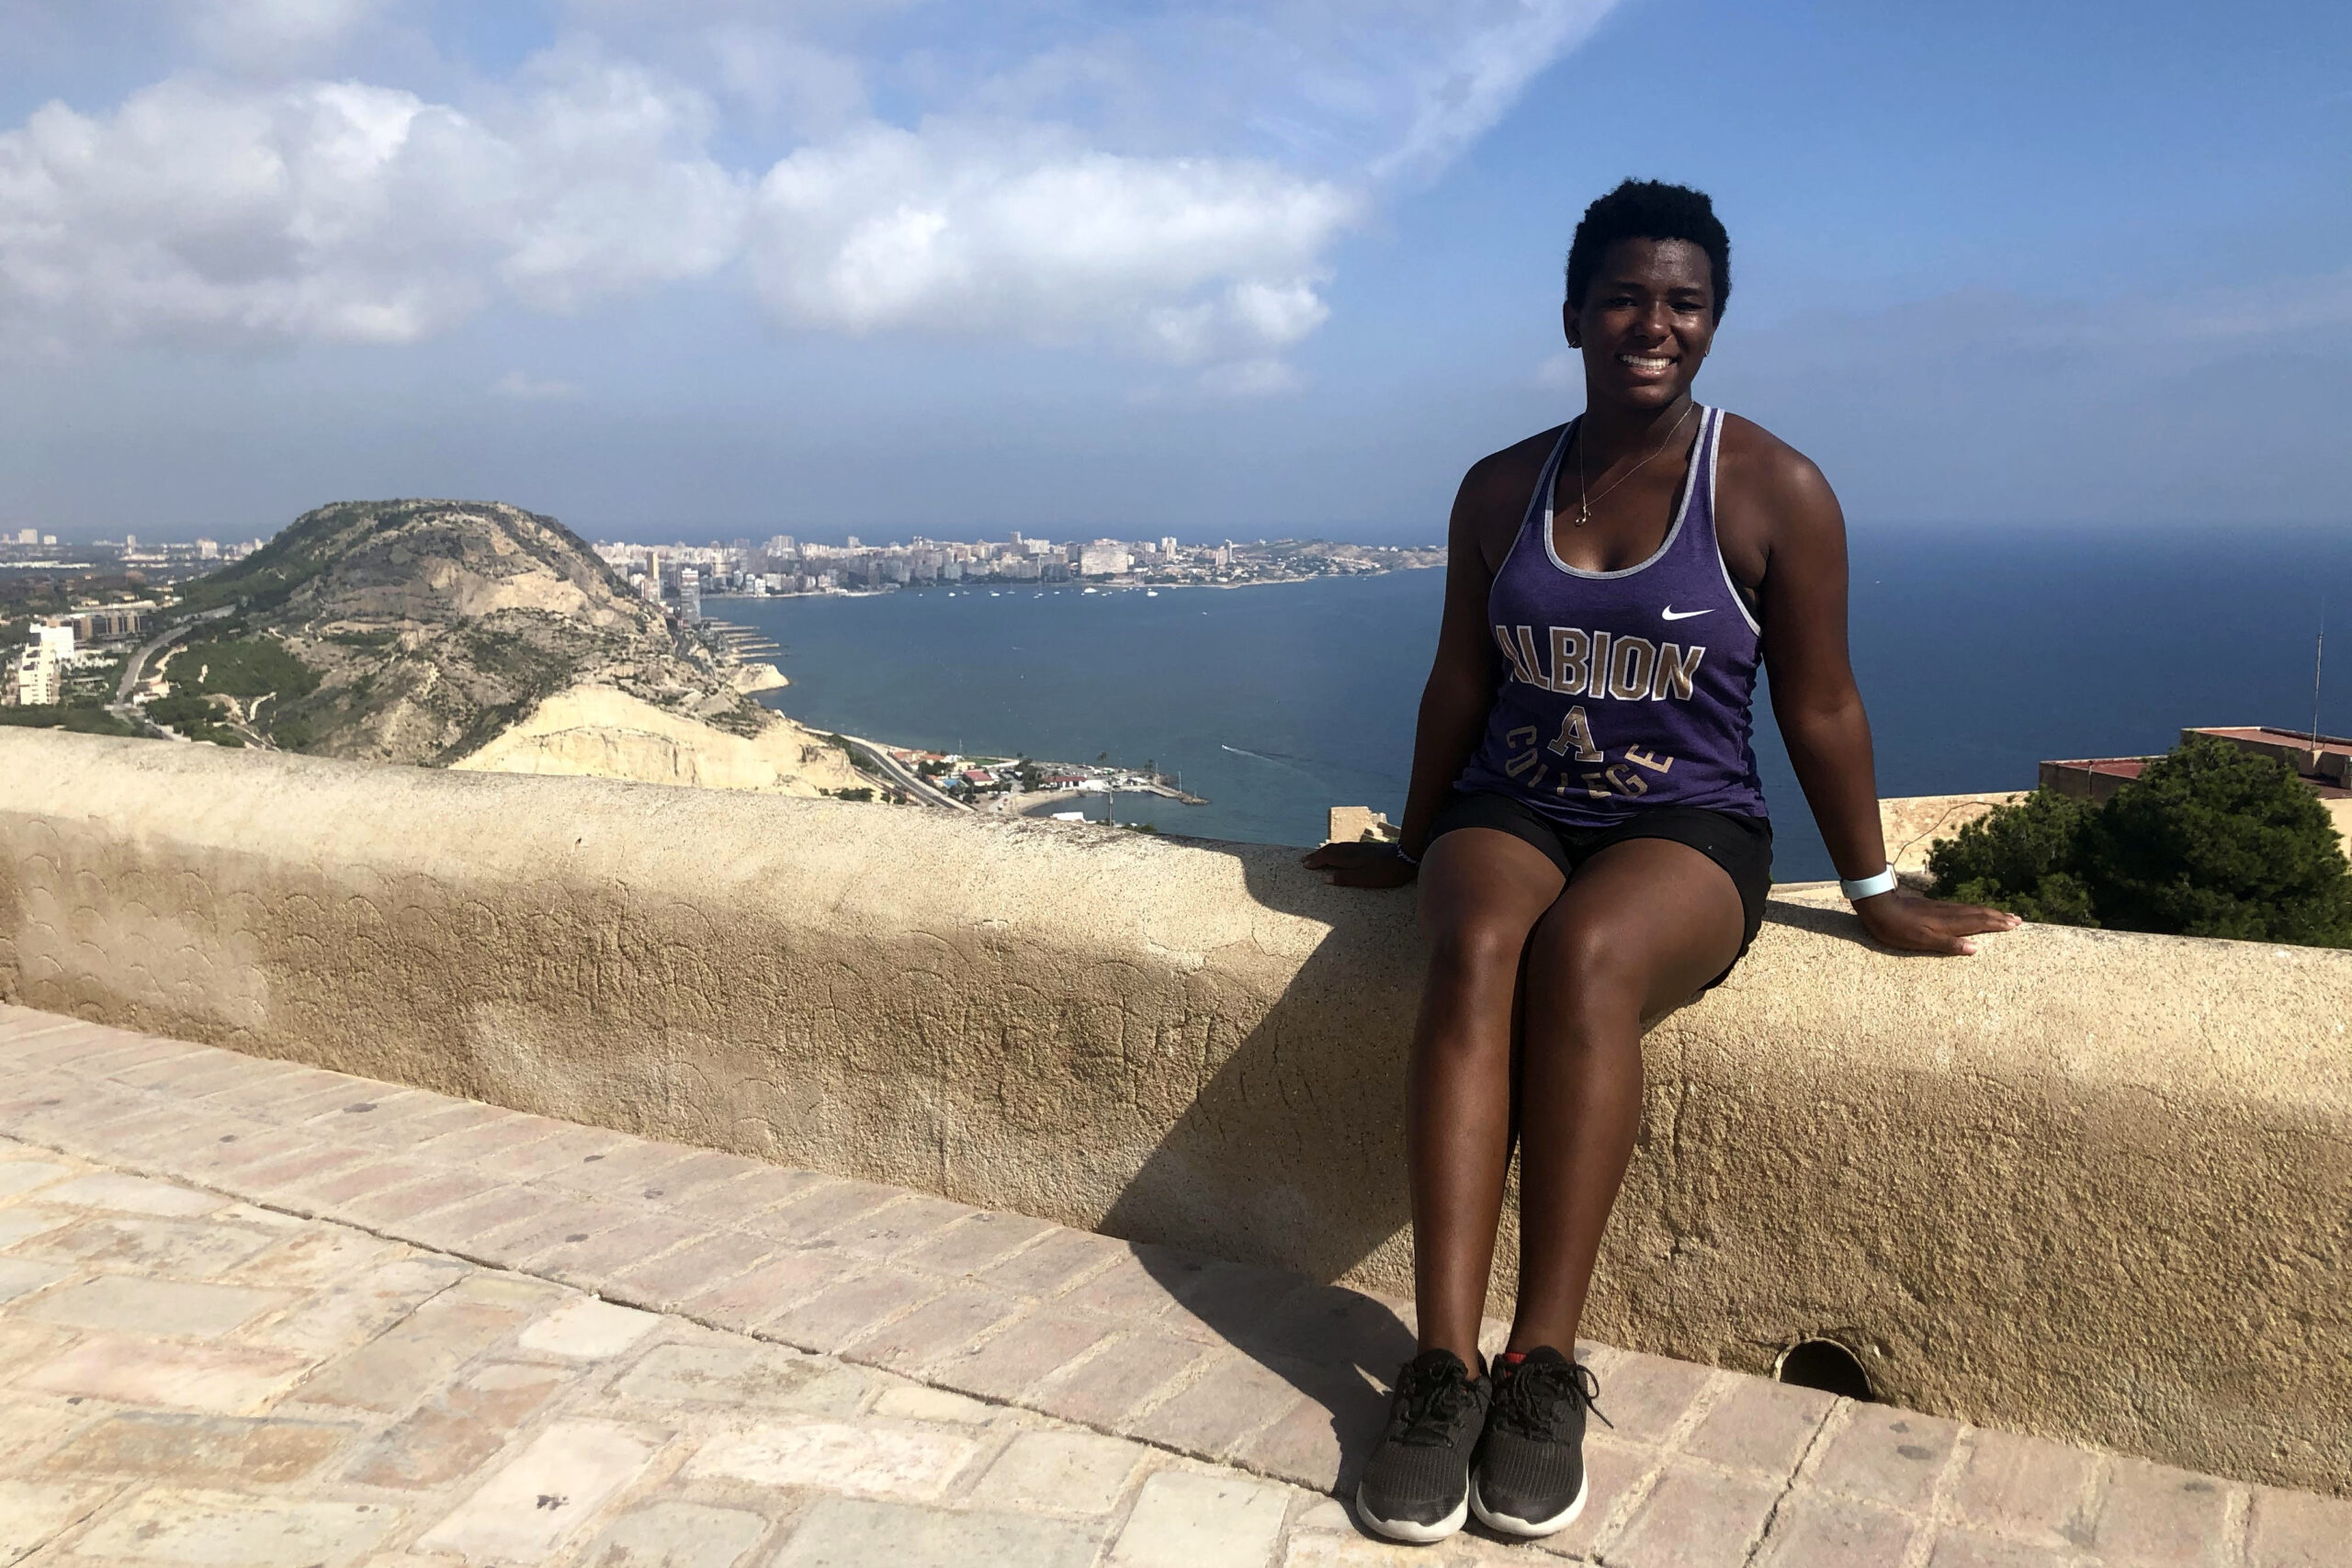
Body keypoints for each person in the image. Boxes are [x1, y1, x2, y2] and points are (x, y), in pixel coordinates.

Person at [1302, 179, 2018, 1546]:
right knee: (1477, 951)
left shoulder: (1773, 488)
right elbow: (1460, 677)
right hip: (1509, 802)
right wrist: (1407, 833)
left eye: (1684, 301)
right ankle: (1440, 1368)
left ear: (1714, 321)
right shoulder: (1502, 486)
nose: (1654, 323)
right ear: (1573, 314)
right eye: (1626, 296)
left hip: (1686, 826)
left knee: (1587, 963)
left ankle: (1544, 1365)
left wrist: (1872, 893)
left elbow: (1819, 702)